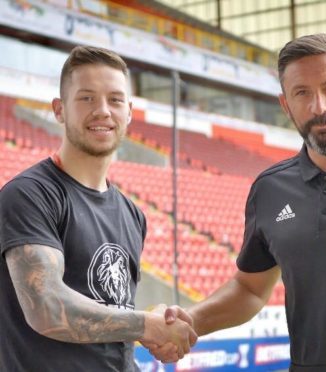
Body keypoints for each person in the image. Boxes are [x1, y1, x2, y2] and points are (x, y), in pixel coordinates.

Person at [149, 33, 326, 371]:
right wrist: (190, 321)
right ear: (285, 104)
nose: (318, 106)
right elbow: (249, 289)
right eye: (302, 93)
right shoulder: (270, 188)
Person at [0, 45, 196, 372]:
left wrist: (155, 325)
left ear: (130, 112)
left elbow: (114, 314)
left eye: (115, 100)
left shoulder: (133, 214)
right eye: (87, 98)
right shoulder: (30, 195)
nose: (103, 110)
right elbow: (47, 307)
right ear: (59, 110)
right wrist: (146, 325)